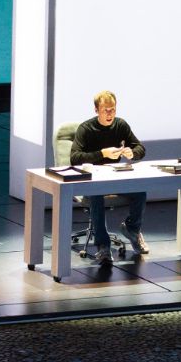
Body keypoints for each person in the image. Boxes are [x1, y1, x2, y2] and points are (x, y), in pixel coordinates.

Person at [69, 90, 147, 265]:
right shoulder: (86, 129)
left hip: (113, 176)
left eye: (113, 109)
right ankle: (103, 246)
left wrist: (132, 152)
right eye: (106, 110)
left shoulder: (121, 126)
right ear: (96, 110)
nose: (110, 114)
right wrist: (101, 153)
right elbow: (75, 158)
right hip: (91, 180)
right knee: (97, 194)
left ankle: (132, 229)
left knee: (140, 190)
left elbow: (140, 148)